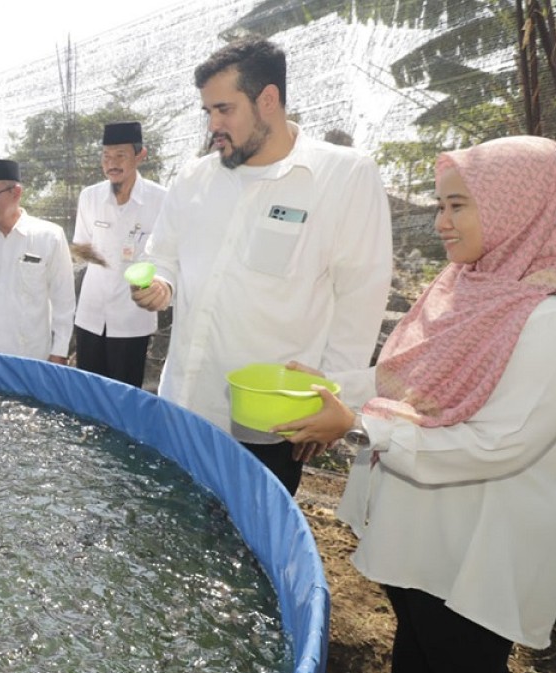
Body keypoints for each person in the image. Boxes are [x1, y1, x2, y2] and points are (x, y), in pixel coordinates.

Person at [274, 135, 556, 673]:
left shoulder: (553, 321)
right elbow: (405, 380)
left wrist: (357, 425)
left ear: (523, 207)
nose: (441, 222)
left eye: (458, 205)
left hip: (479, 538)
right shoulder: (464, 285)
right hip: (421, 515)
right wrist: (337, 387)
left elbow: (500, 445)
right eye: (440, 205)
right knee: (415, 626)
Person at [131, 37, 392, 495]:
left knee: (246, 552)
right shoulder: (196, 177)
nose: (214, 125)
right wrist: (162, 285)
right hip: (184, 402)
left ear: (267, 100)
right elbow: (162, 255)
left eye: (224, 109)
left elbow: (360, 295)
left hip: (268, 421)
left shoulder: (342, 176)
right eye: (208, 112)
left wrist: (333, 397)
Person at [0, 158, 75, 363]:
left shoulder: (48, 237)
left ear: (16, 193)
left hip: (30, 358)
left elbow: (64, 301)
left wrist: (59, 352)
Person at [73, 121, 166, 388]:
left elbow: (166, 254)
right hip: (91, 314)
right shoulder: (90, 197)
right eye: (106, 156)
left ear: (140, 155)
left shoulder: (160, 200)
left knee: (124, 394)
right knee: (88, 393)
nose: (111, 163)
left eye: (120, 156)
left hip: (132, 315)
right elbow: (81, 247)